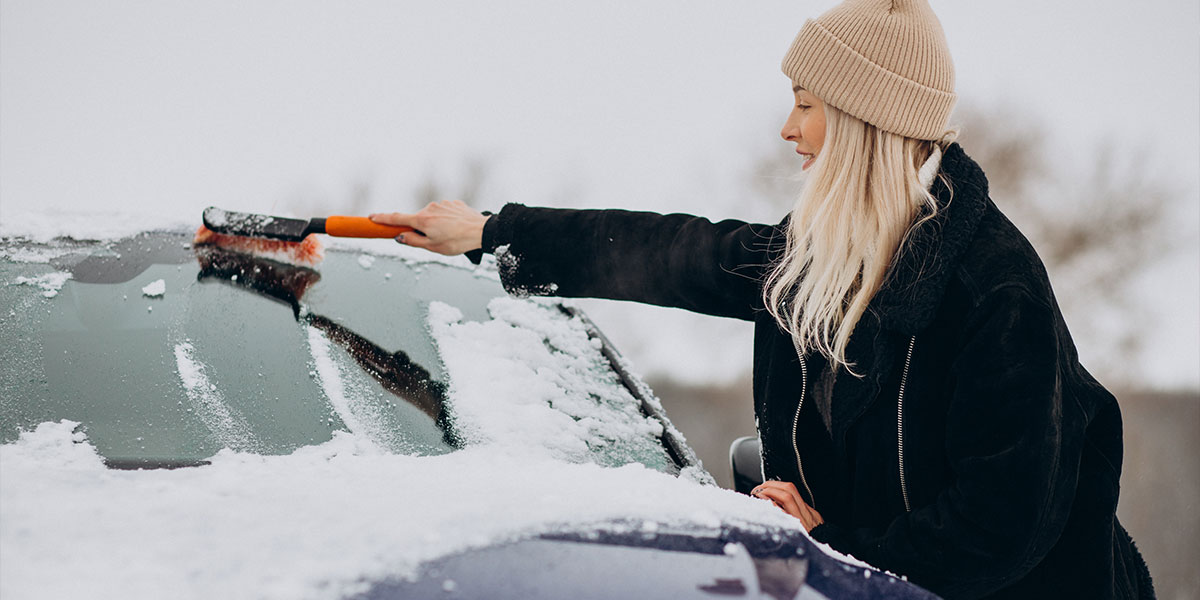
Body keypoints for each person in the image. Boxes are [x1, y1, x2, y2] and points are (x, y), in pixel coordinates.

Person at [368, 1, 1155, 597]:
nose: (788, 127)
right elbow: (677, 254)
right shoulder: (825, 255)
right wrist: (492, 232)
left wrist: (828, 545)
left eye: (807, 104)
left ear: (863, 122)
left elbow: (996, 532)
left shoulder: (994, 291)